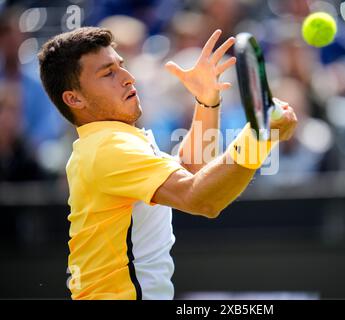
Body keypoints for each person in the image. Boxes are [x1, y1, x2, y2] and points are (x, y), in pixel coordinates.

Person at [38, 27, 297, 300]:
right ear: (74, 98)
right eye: (108, 73)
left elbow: (189, 170)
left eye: (121, 66)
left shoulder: (110, 142)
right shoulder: (108, 148)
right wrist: (259, 137)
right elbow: (200, 198)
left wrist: (207, 102)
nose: (128, 78)